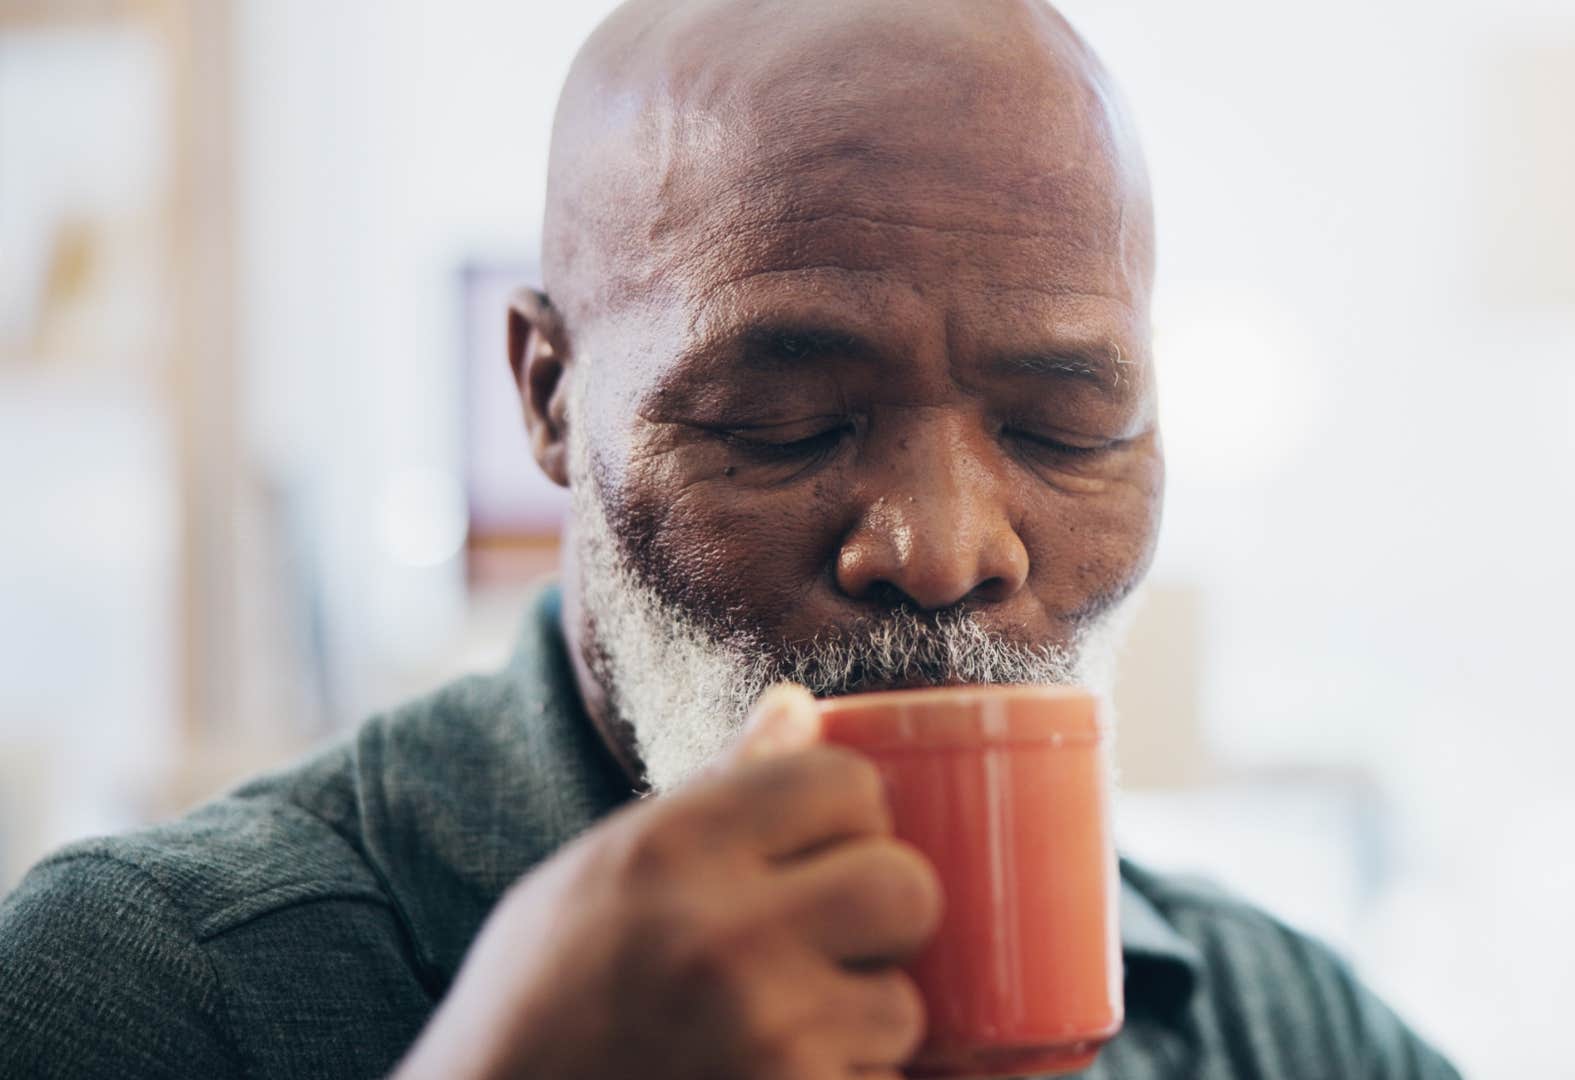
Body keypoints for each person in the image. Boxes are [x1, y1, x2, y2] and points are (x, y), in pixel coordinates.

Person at [0, 2, 1460, 1077]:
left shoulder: (1282, 1028)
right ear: (550, 398)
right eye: (784, 419)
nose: (945, 549)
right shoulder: (148, 994)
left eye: (1064, 430)